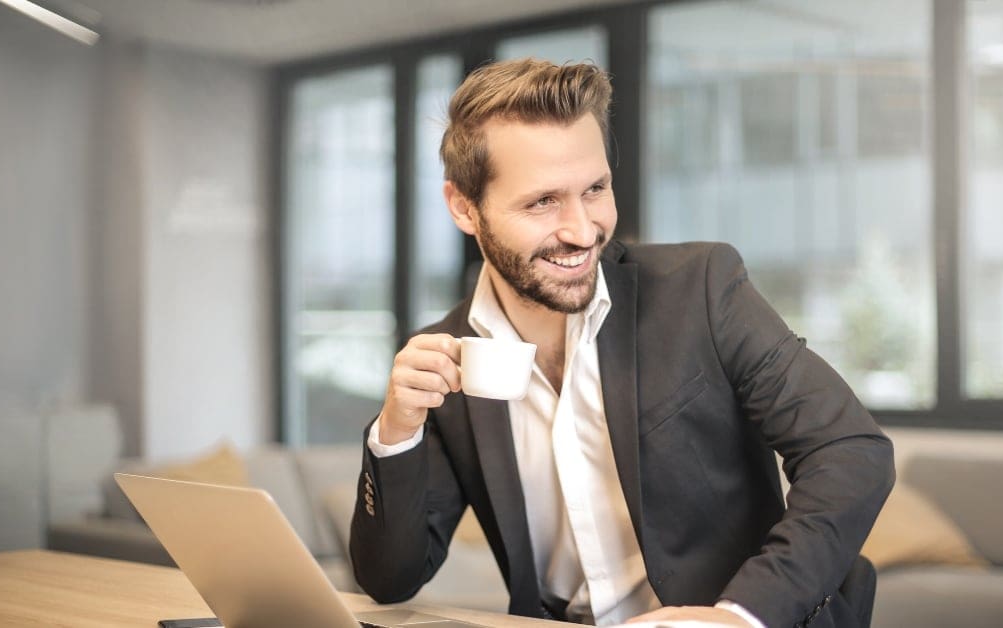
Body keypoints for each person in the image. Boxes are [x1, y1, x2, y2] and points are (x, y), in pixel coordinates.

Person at [349, 58, 895, 628]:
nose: (583, 231)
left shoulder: (700, 288)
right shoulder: (444, 356)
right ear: (464, 207)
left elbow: (851, 451)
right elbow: (390, 580)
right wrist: (395, 434)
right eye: (543, 202)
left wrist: (740, 615)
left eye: (595, 189)